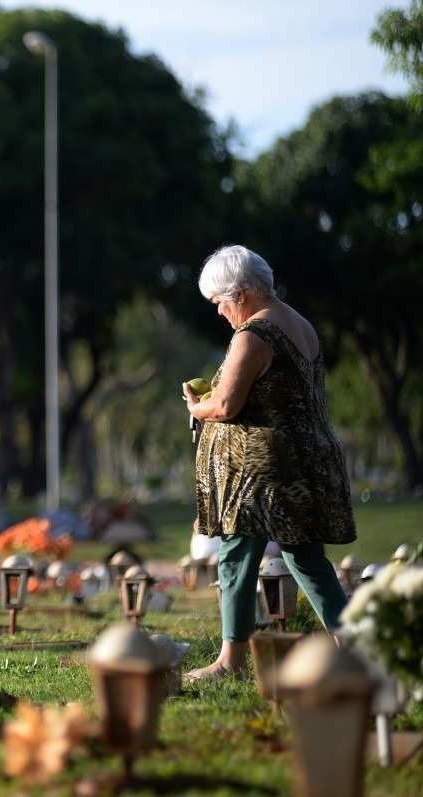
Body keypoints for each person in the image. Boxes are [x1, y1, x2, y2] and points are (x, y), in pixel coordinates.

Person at [183, 244, 355, 684]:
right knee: (305, 557)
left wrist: (196, 405)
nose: (220, 313)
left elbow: (225, 404)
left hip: (262, 474)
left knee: (237, 556)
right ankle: (354, 649)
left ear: (239, 293)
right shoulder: (299, 323)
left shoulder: (254, 334)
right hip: (300, 462)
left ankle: (230, 661)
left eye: (219, 302)